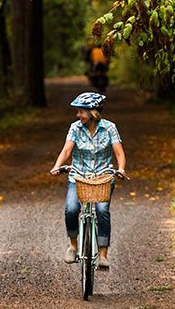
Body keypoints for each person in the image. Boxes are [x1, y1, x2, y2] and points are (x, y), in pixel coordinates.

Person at [49, 92, 126, 269]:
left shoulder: (109, 128)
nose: (78, 115)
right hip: (78, 176)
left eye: (81, 112)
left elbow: (119, 152)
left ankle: (103, 255)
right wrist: (57, 166)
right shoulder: (75, 128)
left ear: (93, 112)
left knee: (102, 210)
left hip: (103, 177)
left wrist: (120, 169)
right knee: (71, 209)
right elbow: (67, 150)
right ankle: (73, 245)